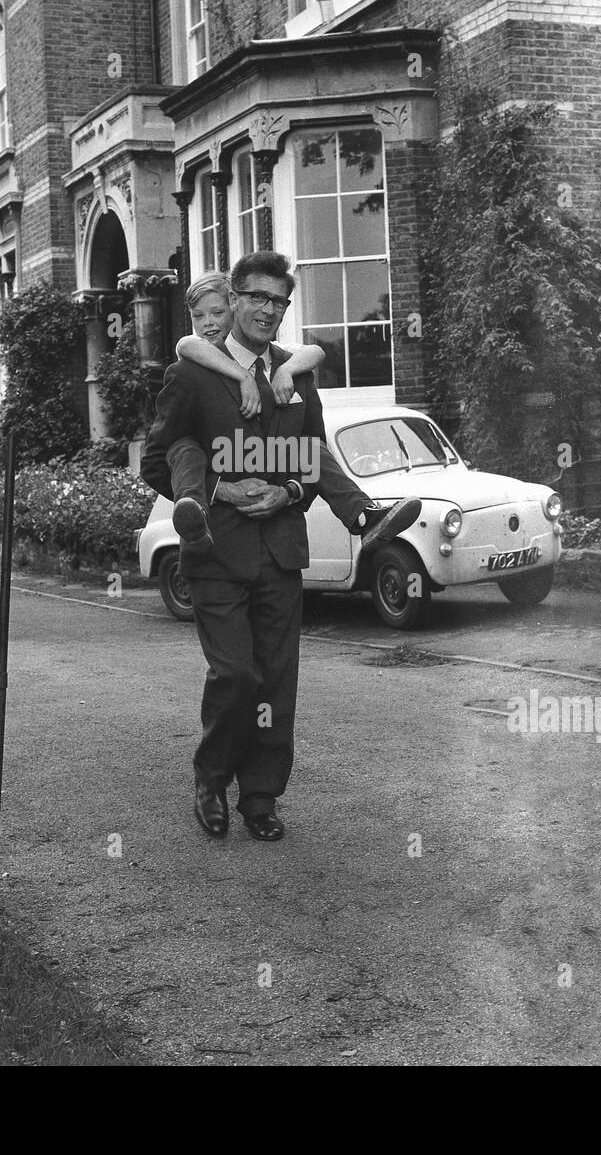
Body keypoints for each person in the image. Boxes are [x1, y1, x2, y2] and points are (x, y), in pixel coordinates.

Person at [143, 251, 415, 843]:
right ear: (234, 300)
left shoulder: (295, 373)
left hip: (281, 553)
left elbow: (311, 454)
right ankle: (211, 779)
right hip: (215, 549)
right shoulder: (193, 373)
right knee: (236, 675)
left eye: (279, 301)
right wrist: (221, 487)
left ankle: (261, 795)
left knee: (276, 682)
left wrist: (287, 489)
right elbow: (156, 458)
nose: (268, 309)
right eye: (257, 298)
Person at [169, 271, 420, 554]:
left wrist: (286, 369)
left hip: (278, 515)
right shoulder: (192, 356)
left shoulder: (272, 357)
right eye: (198, 317)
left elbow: (313, 351)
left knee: (310, 448)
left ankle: (364, 514)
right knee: (184, 450)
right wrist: (243, 376)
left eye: (216, 312)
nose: (208, 324)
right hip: (222, 532)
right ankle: (195, 514)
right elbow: (185, 344)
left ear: (234, 305)